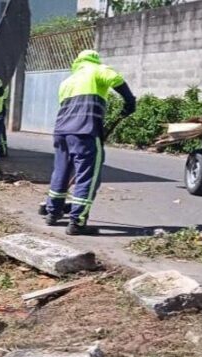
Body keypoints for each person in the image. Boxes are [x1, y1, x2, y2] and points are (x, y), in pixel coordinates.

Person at [44, 50, 135, 235]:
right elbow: (116, 79)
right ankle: (77, 222)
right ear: (95, 59)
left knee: (61, 172)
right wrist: (130, 101)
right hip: (85, 131)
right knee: (87, 176)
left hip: (61, 132)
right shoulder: (97, 70)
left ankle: (53, 213)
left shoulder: (67, 81)